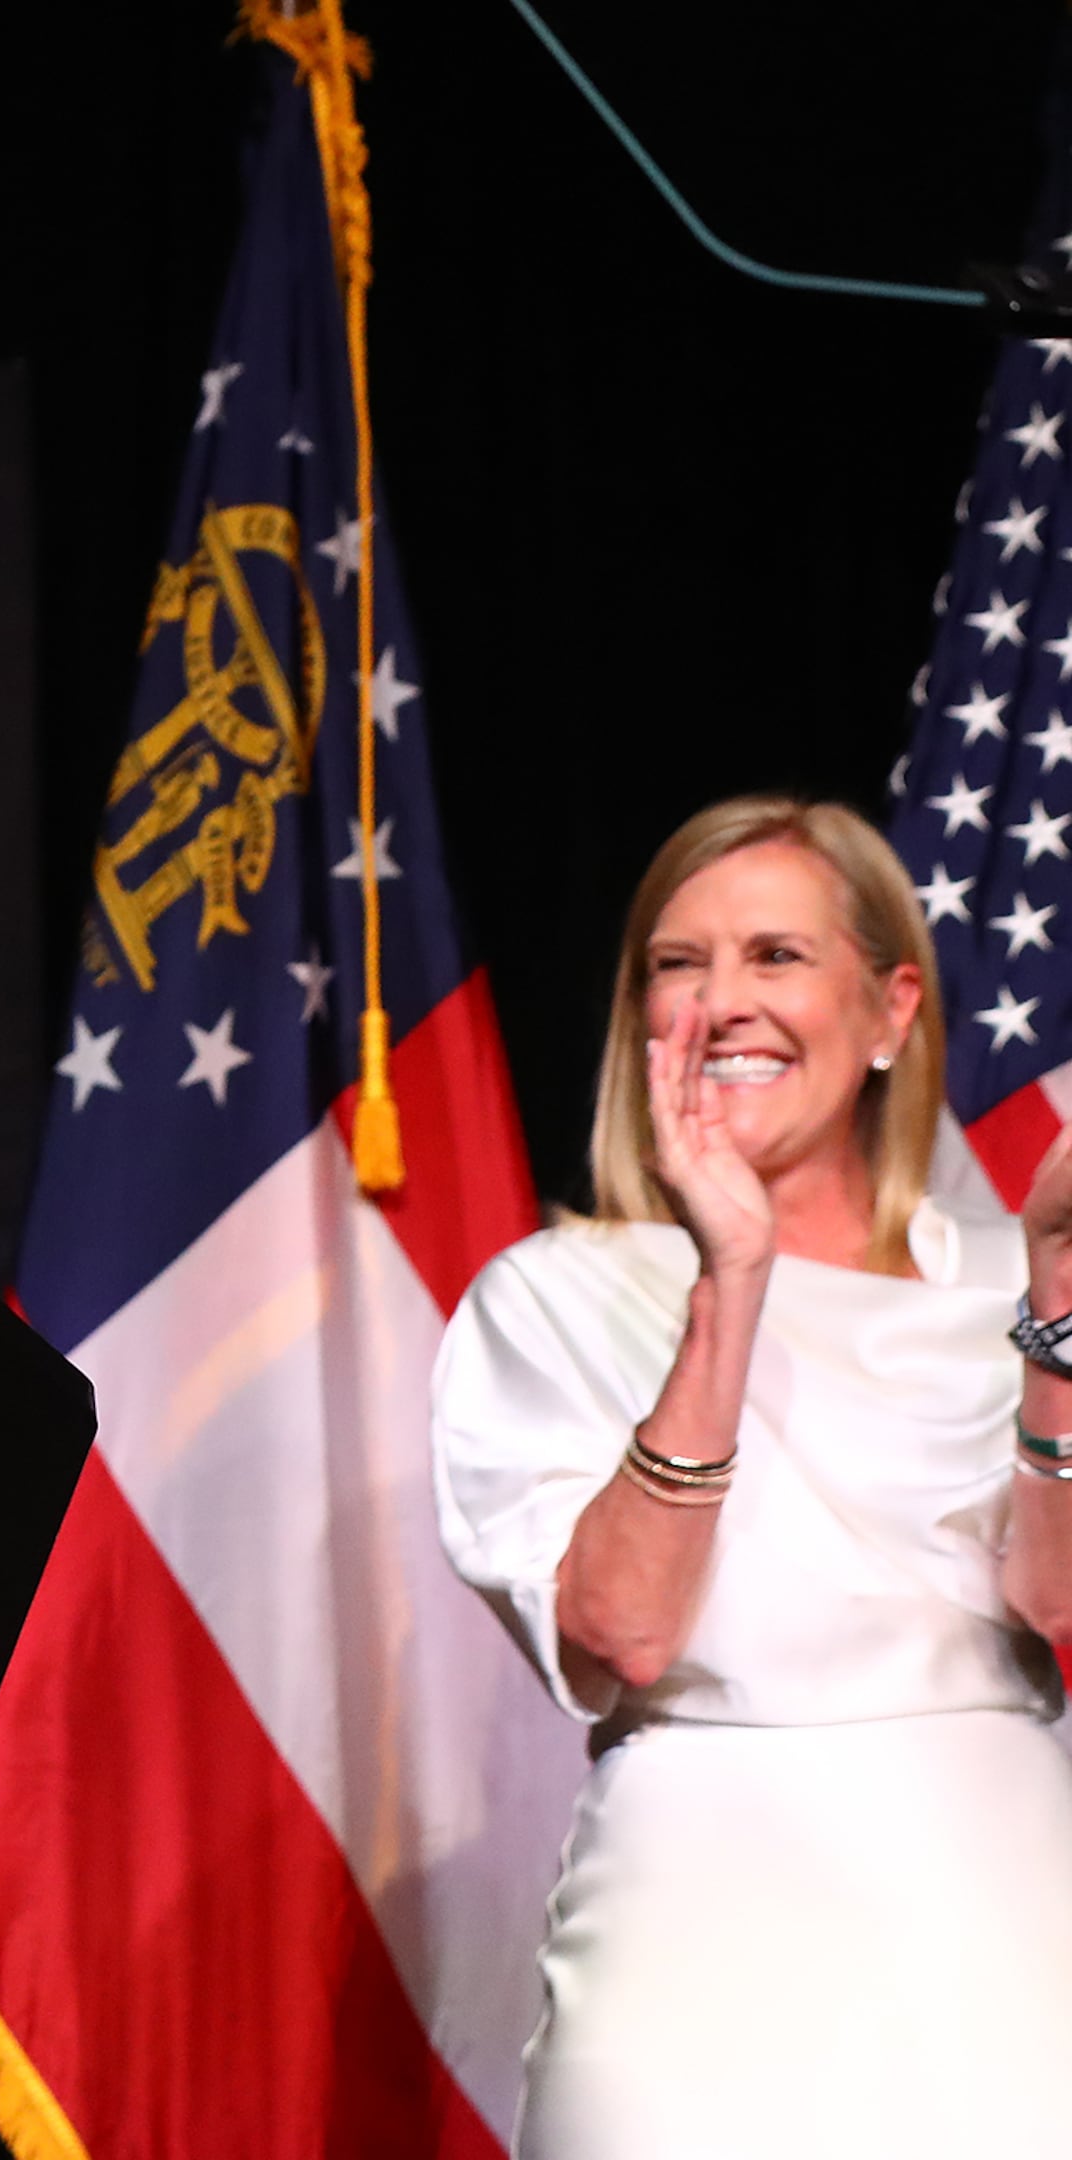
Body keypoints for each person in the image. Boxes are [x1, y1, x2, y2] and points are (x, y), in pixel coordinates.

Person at [430, 795, 1072, 2155]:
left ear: (893, 1009)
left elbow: (1062, 1605)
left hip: (1001, 1922)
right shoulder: (551, 1300)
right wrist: (729, 1273)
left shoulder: (1012, 1294)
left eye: (777, 955)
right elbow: (625, 1631)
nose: (724, 1001)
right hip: (693, 1934)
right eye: (679, 964)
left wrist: (1059, 1321)